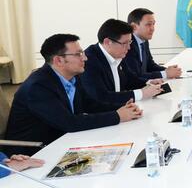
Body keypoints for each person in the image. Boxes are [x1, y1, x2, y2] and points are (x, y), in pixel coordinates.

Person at [5, 34, 142, 155]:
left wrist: (122, 107)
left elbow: (90, 104)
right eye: (78, 54)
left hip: (60, 140)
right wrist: (117, 116)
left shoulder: (72, 77)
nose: (85, 58)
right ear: (58, 60)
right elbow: (69, 123)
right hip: (32, 152)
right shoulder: (38, 86)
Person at [83, 19, 163, 106]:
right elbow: (102, 97)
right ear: (107, 42)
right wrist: (142, 93)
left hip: (121, 108)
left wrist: (147, 82)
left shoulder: (117, 53)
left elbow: (129, 79)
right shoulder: (89, 61)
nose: (129, 47)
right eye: (124, 43)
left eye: (130, 42)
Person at [123, 8, 182, 80]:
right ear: (134, 27)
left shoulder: (144, 40)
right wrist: (165, 73)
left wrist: (167, 70)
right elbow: (136, 75)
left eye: (153, 24)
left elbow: (150, 65)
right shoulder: (127, 45)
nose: (152, 28)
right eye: (148, 24)